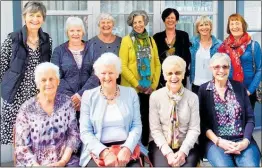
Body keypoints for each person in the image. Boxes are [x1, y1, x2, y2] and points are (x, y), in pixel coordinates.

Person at [79, 53, 148, 167]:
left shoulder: (131, 93)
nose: (107, 77)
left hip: (127, 147)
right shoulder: (88, 96)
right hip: (97, 149)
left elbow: (137, 125)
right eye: (103, 73)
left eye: (111, 72)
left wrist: (127, 149)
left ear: (117, 74)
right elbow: (85, 132)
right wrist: (104, 153)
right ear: (98, 75)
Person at [0, 1, 52, 145]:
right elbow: (2, 65)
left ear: (43, 18)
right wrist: (8, 86)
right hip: (16, 94)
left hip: (36, 95)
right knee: (17, 138)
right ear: (24, 16)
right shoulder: (13, 39)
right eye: (31, 15)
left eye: (38, 15)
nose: (35, 19)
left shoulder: (47, 40)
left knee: (35, 136)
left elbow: (47, 67)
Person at [198, 53, 261, 167]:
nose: (221, 70)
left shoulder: (239, 87)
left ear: (229, 68)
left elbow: (250, 118)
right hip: (215, 142)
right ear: (211, 68)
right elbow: (202, 123)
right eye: (217, 67)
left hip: (242, 140)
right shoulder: (203, 90)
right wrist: (218, 141)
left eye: (225, 66)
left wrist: (245, 141)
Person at [14, 62, 80, 166]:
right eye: (43, 80)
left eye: (51, 79)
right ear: (37, 84)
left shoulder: (67, 103)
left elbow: (73, 135)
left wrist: (63, 162)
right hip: (35, 164)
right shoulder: (26, 109)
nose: (48, 83)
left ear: (58, 81)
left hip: (65, 162)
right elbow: (21, 147)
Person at [149, 56, 200, 167]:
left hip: (186, 145)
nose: (174, 77)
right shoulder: (155, 97)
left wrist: (183, 152)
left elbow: (194, 129)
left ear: (183, 74)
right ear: (164, 75)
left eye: (177, 73)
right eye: (169, 73)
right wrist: (168, 153)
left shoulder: (192, 98)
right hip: (161, 145)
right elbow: (155, 130)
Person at [119, 10, 161, 146]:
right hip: (132, 89)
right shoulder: (126, 40)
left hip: (148, 89)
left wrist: (153, 86)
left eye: (140, 22)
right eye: (135, 22)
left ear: (145, 23)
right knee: (131, 120)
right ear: (131, 24)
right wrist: (137, 84)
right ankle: (132, 149)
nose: (138, 25)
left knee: (146, 118)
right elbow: (122, 65)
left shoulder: (150, 40)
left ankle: (145, 149)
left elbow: (157, 62)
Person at [51, 17, 100, 117]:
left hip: (90, 100)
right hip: (65, 102)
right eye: (72, 30)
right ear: (67, 32)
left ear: (83, 32)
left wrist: (81, 95)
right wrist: (72, 99)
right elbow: (55, 76)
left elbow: (97, 73)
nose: (75, 33)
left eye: (78, 30)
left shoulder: (92, 48)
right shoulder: (58, 51)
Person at [218, 13, 262, 109]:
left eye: (237, 23)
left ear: (243, 25)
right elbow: (219, 68)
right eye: (232, 24)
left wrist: (250, 91)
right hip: (228, 90)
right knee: (230, 122)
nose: (234, 27)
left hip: (248, 91)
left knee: (247, 122)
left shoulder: (254, 45)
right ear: (229, 27)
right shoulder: (223, 46)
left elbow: (260, 69)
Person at [153, 8, 191, 88]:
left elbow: (187, 57)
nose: (170, 20)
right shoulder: (156, 37)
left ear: (176, 20)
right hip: (162, 77)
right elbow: (155, 58)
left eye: (172, 18)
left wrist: (180, 72)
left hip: (179, 76)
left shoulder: (184, 36)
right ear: (164, 20)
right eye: (167, 18)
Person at [189, 15, 222, 94]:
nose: (204, 27)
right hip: (196, 83)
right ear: (197, 28)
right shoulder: (192, 42)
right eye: (201, 25)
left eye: (206, 24)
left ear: (210, 27)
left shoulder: (219, 44)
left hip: (213, 84)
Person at [88, 13, 122, 84]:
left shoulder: (121, 42)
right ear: (99, 25)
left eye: (109, 22)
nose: (106, 25)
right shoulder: (90, 43)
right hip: (96, 85)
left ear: (113, 24)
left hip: (118, 84)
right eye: (103, 22)